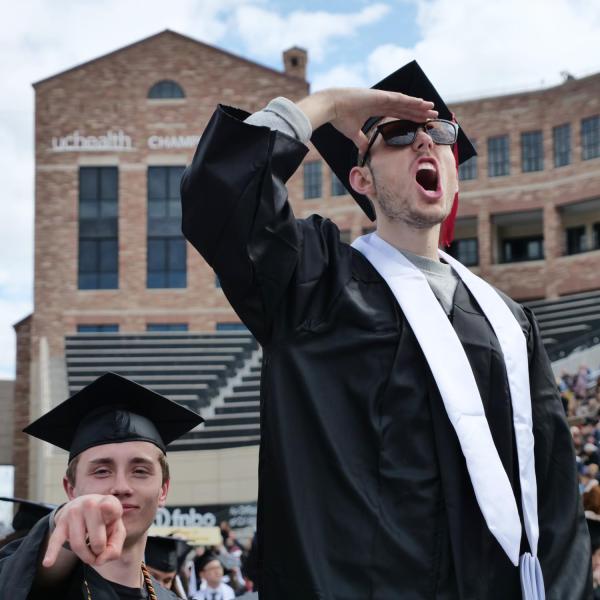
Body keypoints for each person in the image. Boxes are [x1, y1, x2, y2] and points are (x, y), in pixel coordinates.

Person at [180, 60, 592, 599]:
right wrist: (326, 105)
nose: (424, 142)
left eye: (439, 133)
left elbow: (555, 494)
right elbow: (222, 192)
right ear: (361, 179)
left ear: (453, 169)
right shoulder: (316, 281)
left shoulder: (509, 323)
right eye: (397, 134)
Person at [0, 372, 203, 599]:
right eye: (102, 471)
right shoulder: (33, 589)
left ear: (163, 490)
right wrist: (59, 527)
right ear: (70, 490)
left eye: (140, 471)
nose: (121, 486)